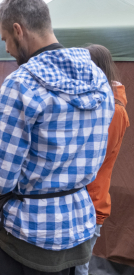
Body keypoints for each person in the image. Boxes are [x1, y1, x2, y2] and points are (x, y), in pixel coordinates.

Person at [0, 0, 115, 275]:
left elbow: (1, 178)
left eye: (5, 39)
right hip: (77, 232)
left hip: (25, 240)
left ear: (18, 30)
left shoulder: (21, 84)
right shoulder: (99, 78)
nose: (7, 49)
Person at [74, 45, 130, 275]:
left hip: (90, 204)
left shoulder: (115, 111)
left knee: (78, 270)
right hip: (79, 202)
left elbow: (93, 159)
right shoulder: (97, 105)